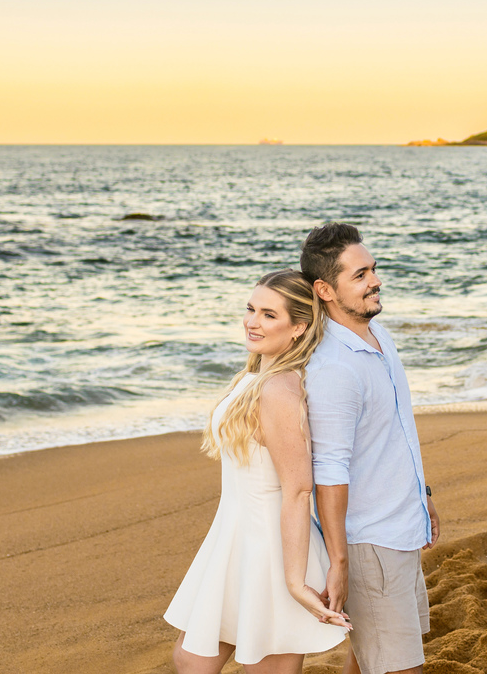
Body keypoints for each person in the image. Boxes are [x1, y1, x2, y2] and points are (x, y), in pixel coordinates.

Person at [164, 269, 351, 674]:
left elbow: (298, 490)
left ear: (299, 327)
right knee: (189, 659)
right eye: (251, 309)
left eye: (269, 315)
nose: (252, 321)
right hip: (234, 538)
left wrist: (295, 582)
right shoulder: (256, 376)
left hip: (269, 548)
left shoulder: (278, 389)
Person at [300, 223, 440, 674]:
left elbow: (394, 434)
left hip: (399, 524)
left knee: (366, 658)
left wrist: (425, 497)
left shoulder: (379, 338)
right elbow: (330, 470)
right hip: (370, 542)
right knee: (400, 666)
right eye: (359, 275)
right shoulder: (334, 368)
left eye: (373, 269)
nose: (375, 280)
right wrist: (340, 561)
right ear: (325, 289)